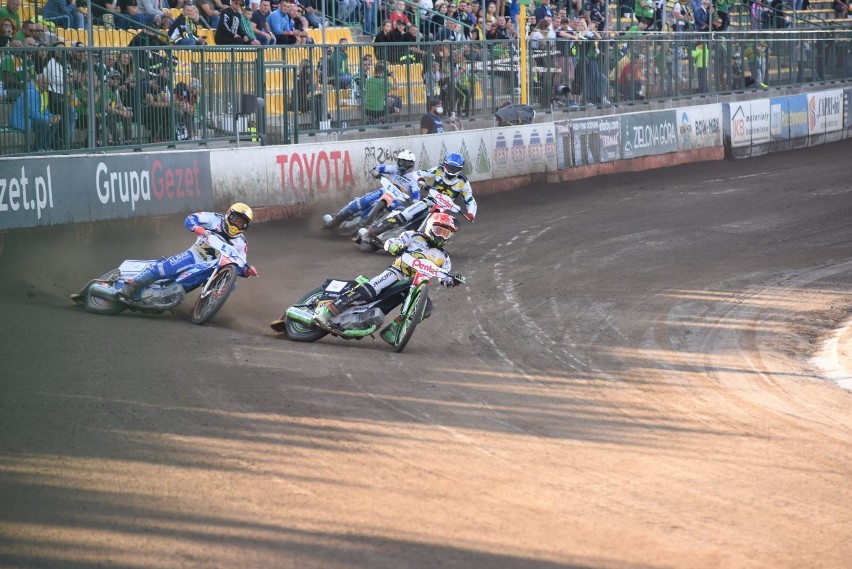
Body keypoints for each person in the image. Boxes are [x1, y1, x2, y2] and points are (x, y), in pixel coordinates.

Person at [314, 211, 462, 343]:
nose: (441, 236)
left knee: (426, 307)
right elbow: (393, 242)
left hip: (416, 286)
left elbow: (445, 278)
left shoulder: (444, 257)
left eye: (446, 233)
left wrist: (452, 281)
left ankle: (393, 331)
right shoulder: (414, 236)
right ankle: (327, 312)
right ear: (430, 227)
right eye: (439, 230)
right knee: (370, 290)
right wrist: (393, 246)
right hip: (396, 273)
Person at [121, 204, 259, 299]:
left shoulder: (242, 243)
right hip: (194, 255)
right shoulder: (214, 219)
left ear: (246, 226)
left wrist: (247, 271)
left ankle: (208, 302)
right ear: (229, 214)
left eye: (242, 223)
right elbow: (191, 218)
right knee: (166, 268)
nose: (237, 224)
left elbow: (239, 264)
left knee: (231, 284)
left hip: (212, 268)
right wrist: (196, 228)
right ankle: (133, 283)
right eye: (236, 219)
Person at [363, 152, 477, 242]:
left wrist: (471, 213)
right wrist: (420, 179)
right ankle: (372, 232)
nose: (451, 170)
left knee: (445, 227)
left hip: (442, 208)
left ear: (460, 169)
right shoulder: (438, 170)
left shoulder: (463, 182)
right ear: (445, 164)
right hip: (429, 201)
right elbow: (418, 173)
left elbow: (470, 200)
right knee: (406, 214)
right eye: (449, 166)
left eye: (455, 168)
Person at [322, 149, 421, 229]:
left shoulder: (413, 178)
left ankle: (378, 232)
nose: (403, 165)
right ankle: (336, 218)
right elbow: (378, 167)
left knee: (399, 217)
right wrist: (376, 171)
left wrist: (415, 200)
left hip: (397, 201)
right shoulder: (393, 168)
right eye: (402, 162)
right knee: (359, 203)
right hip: (383, 192)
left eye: (407, 163)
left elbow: (416, 192)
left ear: (411, 164)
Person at [11, 73, 62, 151]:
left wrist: (52, 116)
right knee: (45, 123)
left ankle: (46, 146)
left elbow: (43, 109)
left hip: (31, 119)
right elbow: (33, 113)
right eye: (44, 83)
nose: (46, 86)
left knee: (55, 122)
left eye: (47, 84)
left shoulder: (42, 93)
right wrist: (49, 119)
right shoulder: (31, 93)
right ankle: (37, 148)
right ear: (37, 82)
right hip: (22, 121)